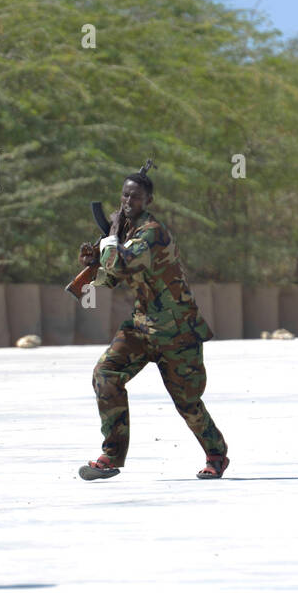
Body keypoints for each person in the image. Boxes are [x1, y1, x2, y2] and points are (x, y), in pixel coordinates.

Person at [77, 164, 228, 481]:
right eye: (125, 194)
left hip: (177, 329)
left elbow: (123, 262)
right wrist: (95, 262)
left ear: (148, 201)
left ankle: (216, 454)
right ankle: (111, 456)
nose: (128, 200)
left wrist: (108, 244)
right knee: (106, 374)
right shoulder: (126, 232)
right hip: (143, 325)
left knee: (187, 402)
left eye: (136, 196)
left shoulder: (151, 233)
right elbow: (112, 276)